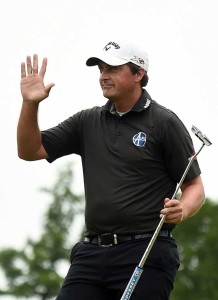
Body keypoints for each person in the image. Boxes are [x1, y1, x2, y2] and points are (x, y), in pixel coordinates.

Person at [17, 40, 205, 300]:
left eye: (113, 69)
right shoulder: (87, 121)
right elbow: (29, 151)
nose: (104, 76)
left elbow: (194, 187)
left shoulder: (164, 122)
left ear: (139, 74)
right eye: (102, 69)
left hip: (146, 250)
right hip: (91, 253)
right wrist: (30, 104)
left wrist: (182, 209)